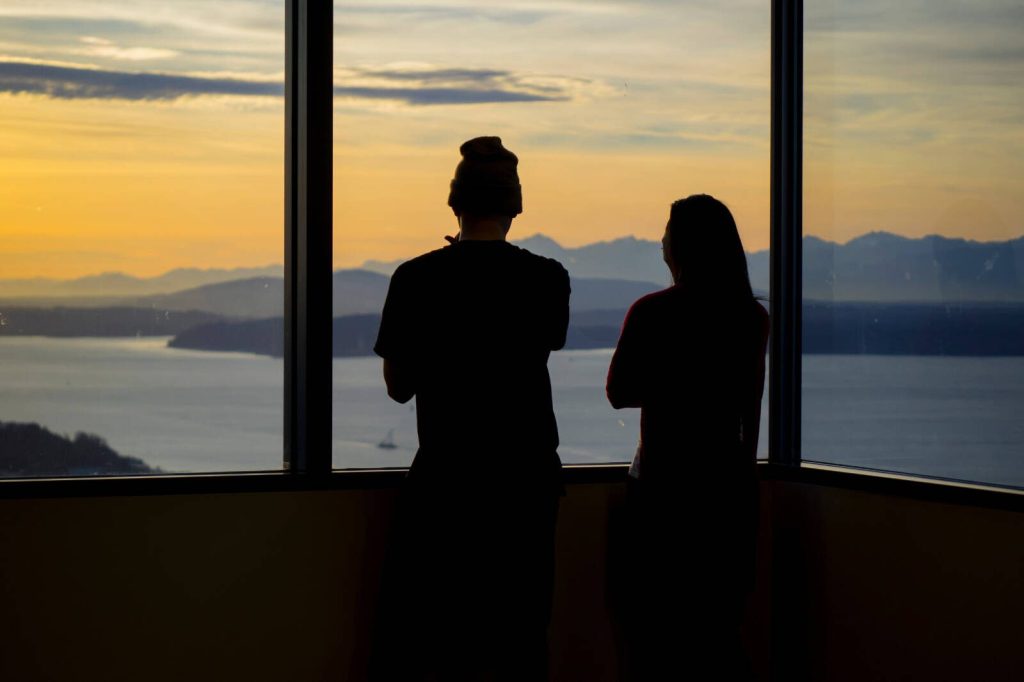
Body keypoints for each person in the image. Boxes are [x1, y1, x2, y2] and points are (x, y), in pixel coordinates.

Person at [370, 136, 571, 681]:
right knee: (521, 632)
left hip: (448, 481)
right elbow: (543, 341)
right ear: (515, 208)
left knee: (440, 635)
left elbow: (398, 386)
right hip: (526, 483)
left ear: (455, 204)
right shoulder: (548, 278)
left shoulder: (415, 279)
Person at [606, 194, 769, 680]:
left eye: (667, 232)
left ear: (680, 246)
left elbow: (618, 392)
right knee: (717, 636)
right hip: (728, 496)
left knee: (655, 637)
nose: (660, 240)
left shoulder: (652, 312)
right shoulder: (751, 318)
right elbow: (751, 416)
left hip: (661, 491)